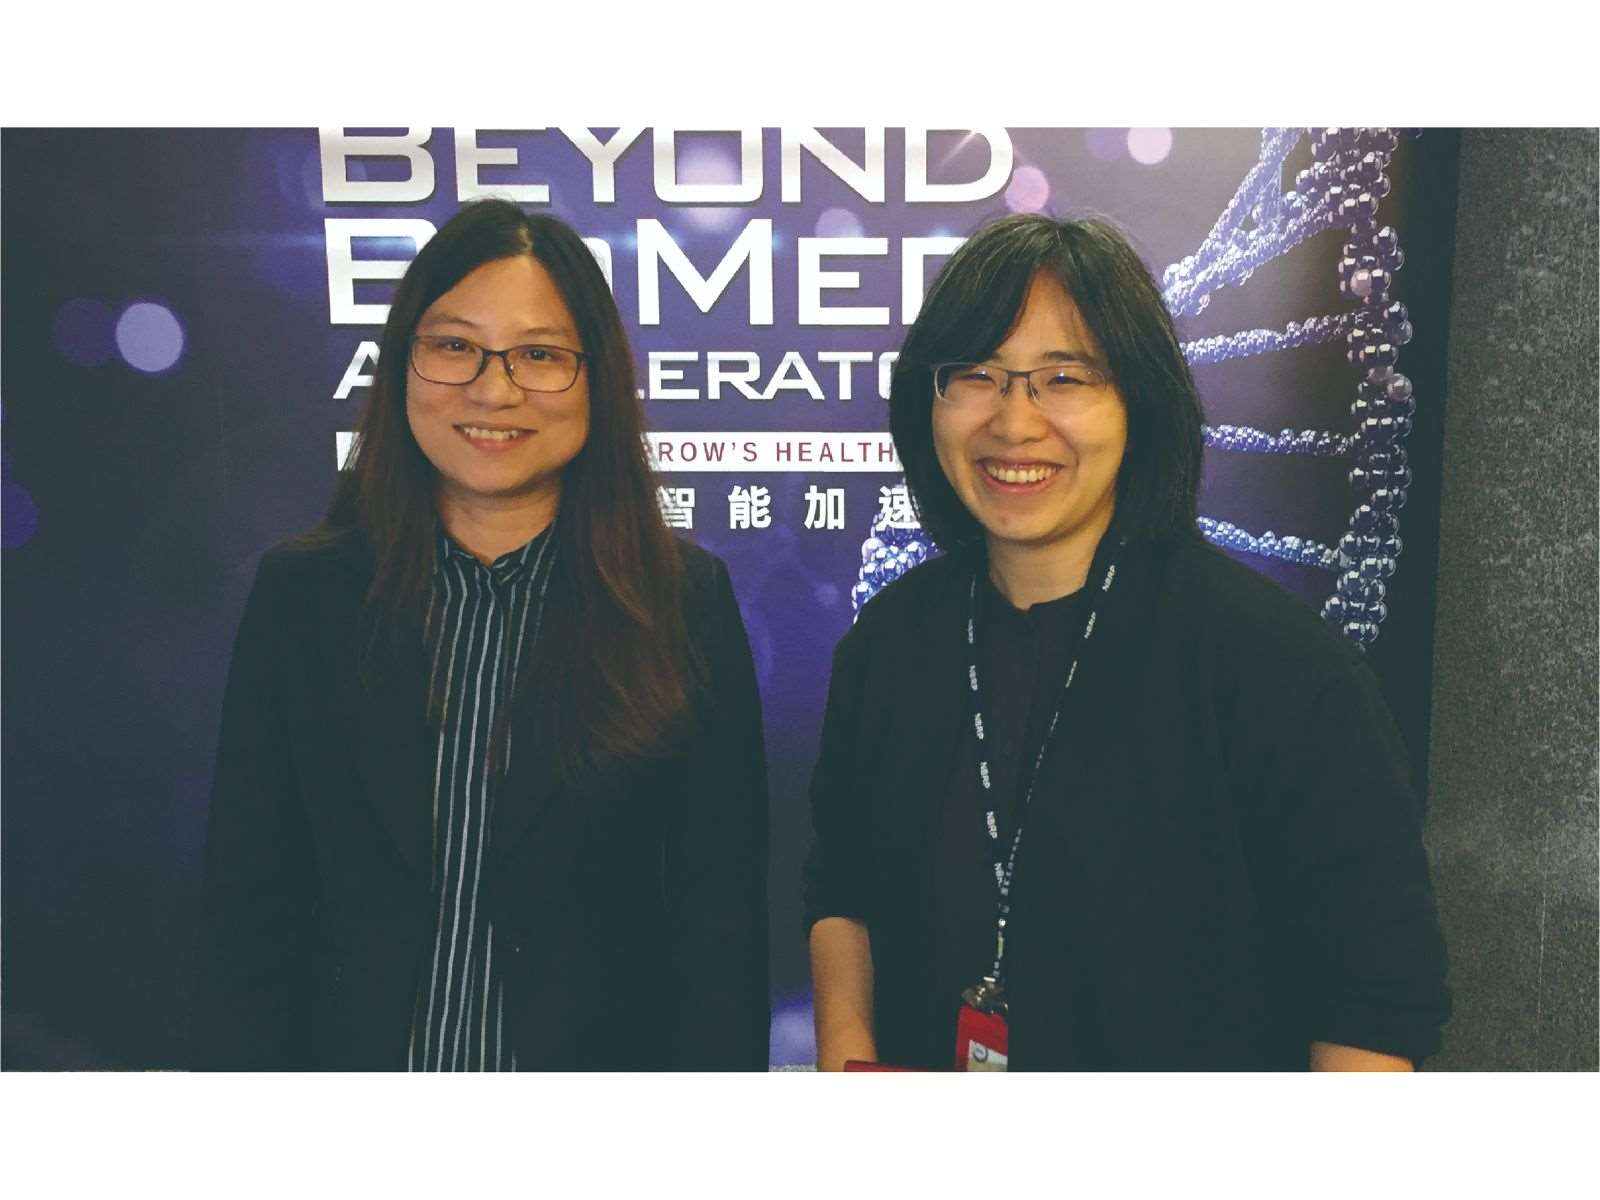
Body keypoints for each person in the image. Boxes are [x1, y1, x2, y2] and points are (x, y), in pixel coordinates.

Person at [804, 214, 1450, 1071]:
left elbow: (1373, 1001)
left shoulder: (1280, 667)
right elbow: (842, 886)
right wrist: (849, 1064)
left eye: (1064, 378)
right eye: (976, 375)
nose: (1014, 422)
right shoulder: (890, 644)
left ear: (1138, 402)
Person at [194, 199, 770, 1071]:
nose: (494, 390)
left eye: (539, 355)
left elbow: (718, 929)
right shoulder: (303, 598)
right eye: (455, 346)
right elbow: (247, 910)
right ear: (402, 362)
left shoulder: (681, 601)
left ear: (597, 379)